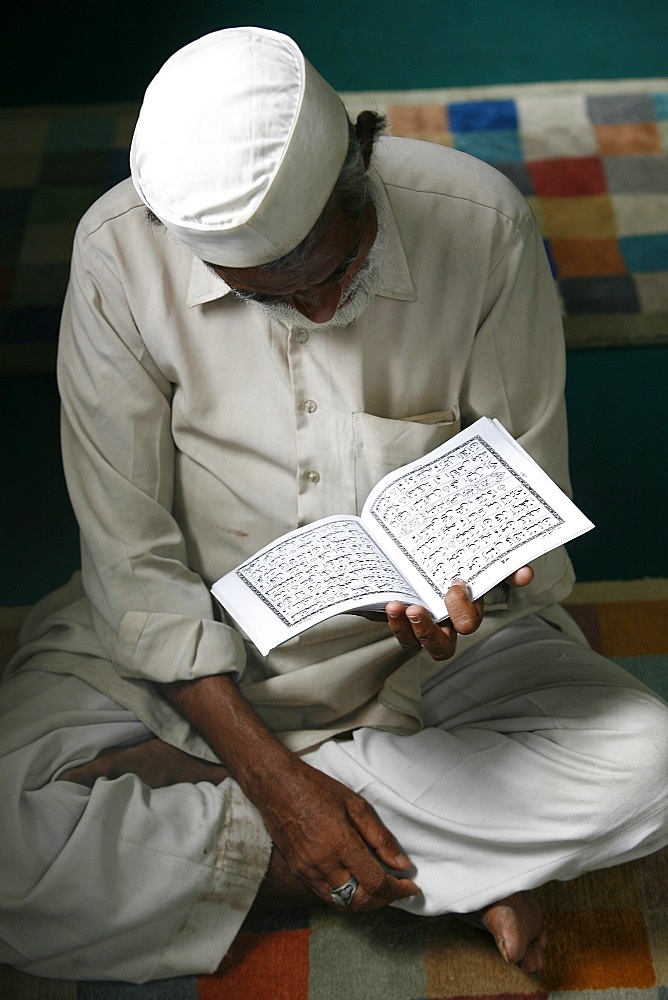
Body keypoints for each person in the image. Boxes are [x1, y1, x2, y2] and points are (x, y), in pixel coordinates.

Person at [0, 26, 666, 984]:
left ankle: (289, 843)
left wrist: (479, 580)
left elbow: (532, 508)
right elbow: (133, 566)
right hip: (196, 639)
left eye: (330, 275)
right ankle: (437, 859)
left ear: (362, 164)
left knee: (649, 767)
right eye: (268, 297)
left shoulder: (478, 222)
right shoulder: (117, 256)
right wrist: (278, 787)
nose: (314, 313)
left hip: (435, 656)